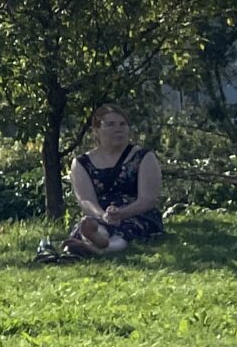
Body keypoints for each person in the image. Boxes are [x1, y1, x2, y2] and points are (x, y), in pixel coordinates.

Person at [66, 106, 165, 256]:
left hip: (135, 213)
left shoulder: (144, 157)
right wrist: (103, 216)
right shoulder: (81, 163)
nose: (118, 129)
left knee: (126, 228)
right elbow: (86, 200)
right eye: (110, 124)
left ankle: (101, 248)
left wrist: (121, 213)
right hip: (100, 214)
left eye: (122, 124)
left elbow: (148, 199)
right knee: (90, 224)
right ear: (96, 130)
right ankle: (96, 238)